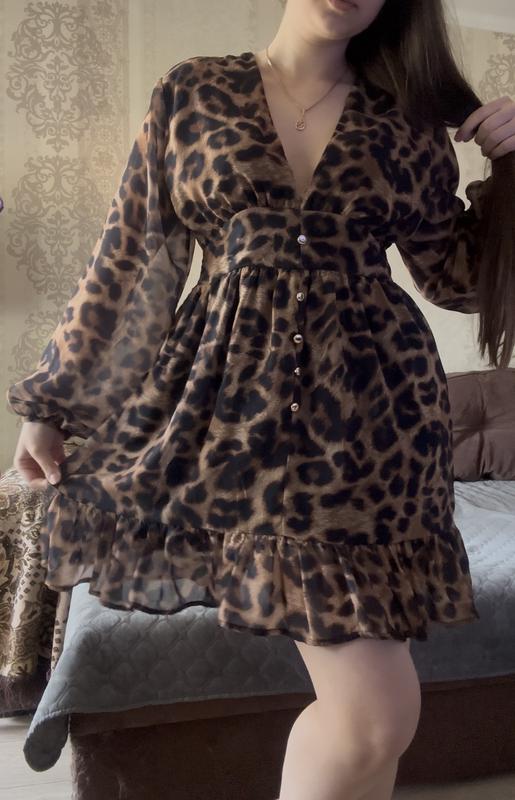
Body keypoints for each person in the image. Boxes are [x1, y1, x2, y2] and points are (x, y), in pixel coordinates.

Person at [5, 1, 515, 798]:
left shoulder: (406, 117)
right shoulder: (193, 92)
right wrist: (52, 400)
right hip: (238, 423)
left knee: (372, 719)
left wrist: (512, 172)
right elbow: (132, 258)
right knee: (374, 716)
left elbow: (455, 277)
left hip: (377, 425)